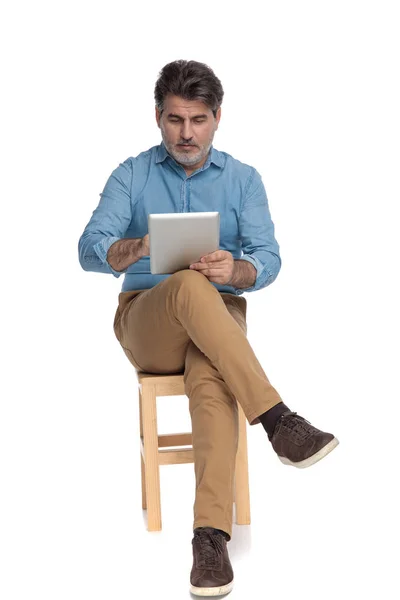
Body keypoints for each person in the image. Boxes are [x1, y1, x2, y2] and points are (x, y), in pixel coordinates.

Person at [78, 59, 339, 597]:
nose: (186, 133)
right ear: (158, 117)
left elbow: (267, 258)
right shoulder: (132, 174)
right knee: (191, 289)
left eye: (197, 120)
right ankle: (278, 421)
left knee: (214, 378)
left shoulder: (244, 180)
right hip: (147, 319)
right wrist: (140, 247)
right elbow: (88, 249)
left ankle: (209, 538)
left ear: (217, 118)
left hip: (218, 320)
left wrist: (237, 270)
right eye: (175, 120)